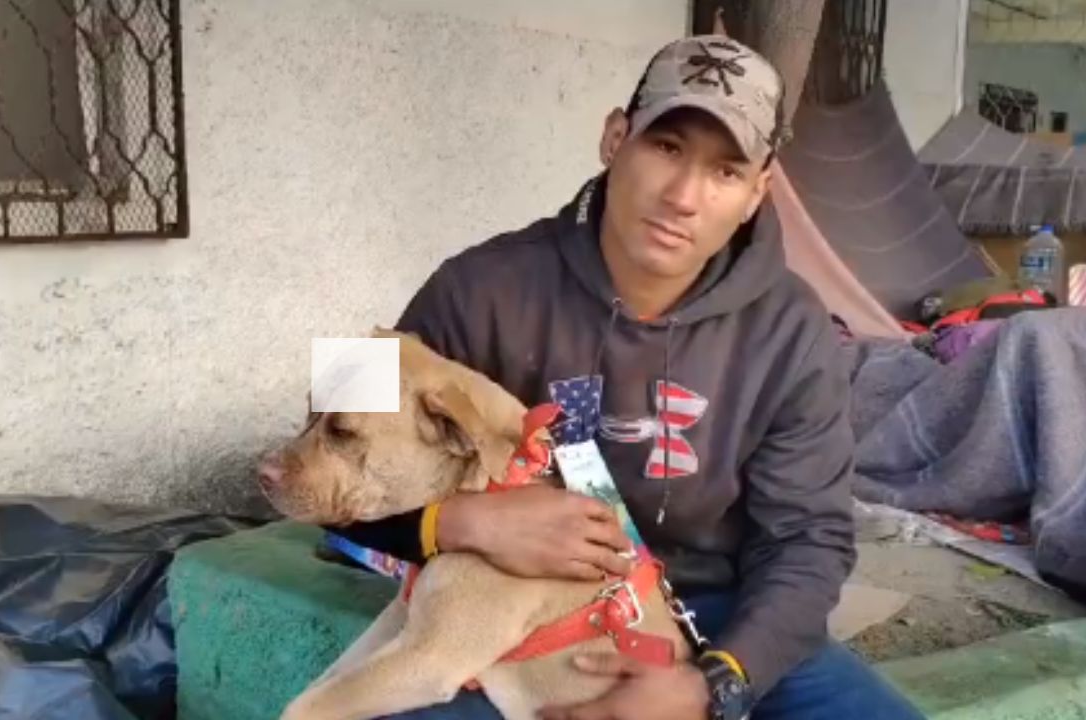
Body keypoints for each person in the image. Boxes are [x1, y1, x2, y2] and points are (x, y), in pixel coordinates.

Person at [332, 34, 926, 720]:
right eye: (666, 148)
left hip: (713, 617)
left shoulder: (795, 328)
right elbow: (321, 450)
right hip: (514, 616)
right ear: (616, 138)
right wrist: (458, 522)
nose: (683, 196)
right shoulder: (475, 284)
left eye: (726, 171)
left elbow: (809, 540)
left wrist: (715, 684)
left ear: (759, 191)